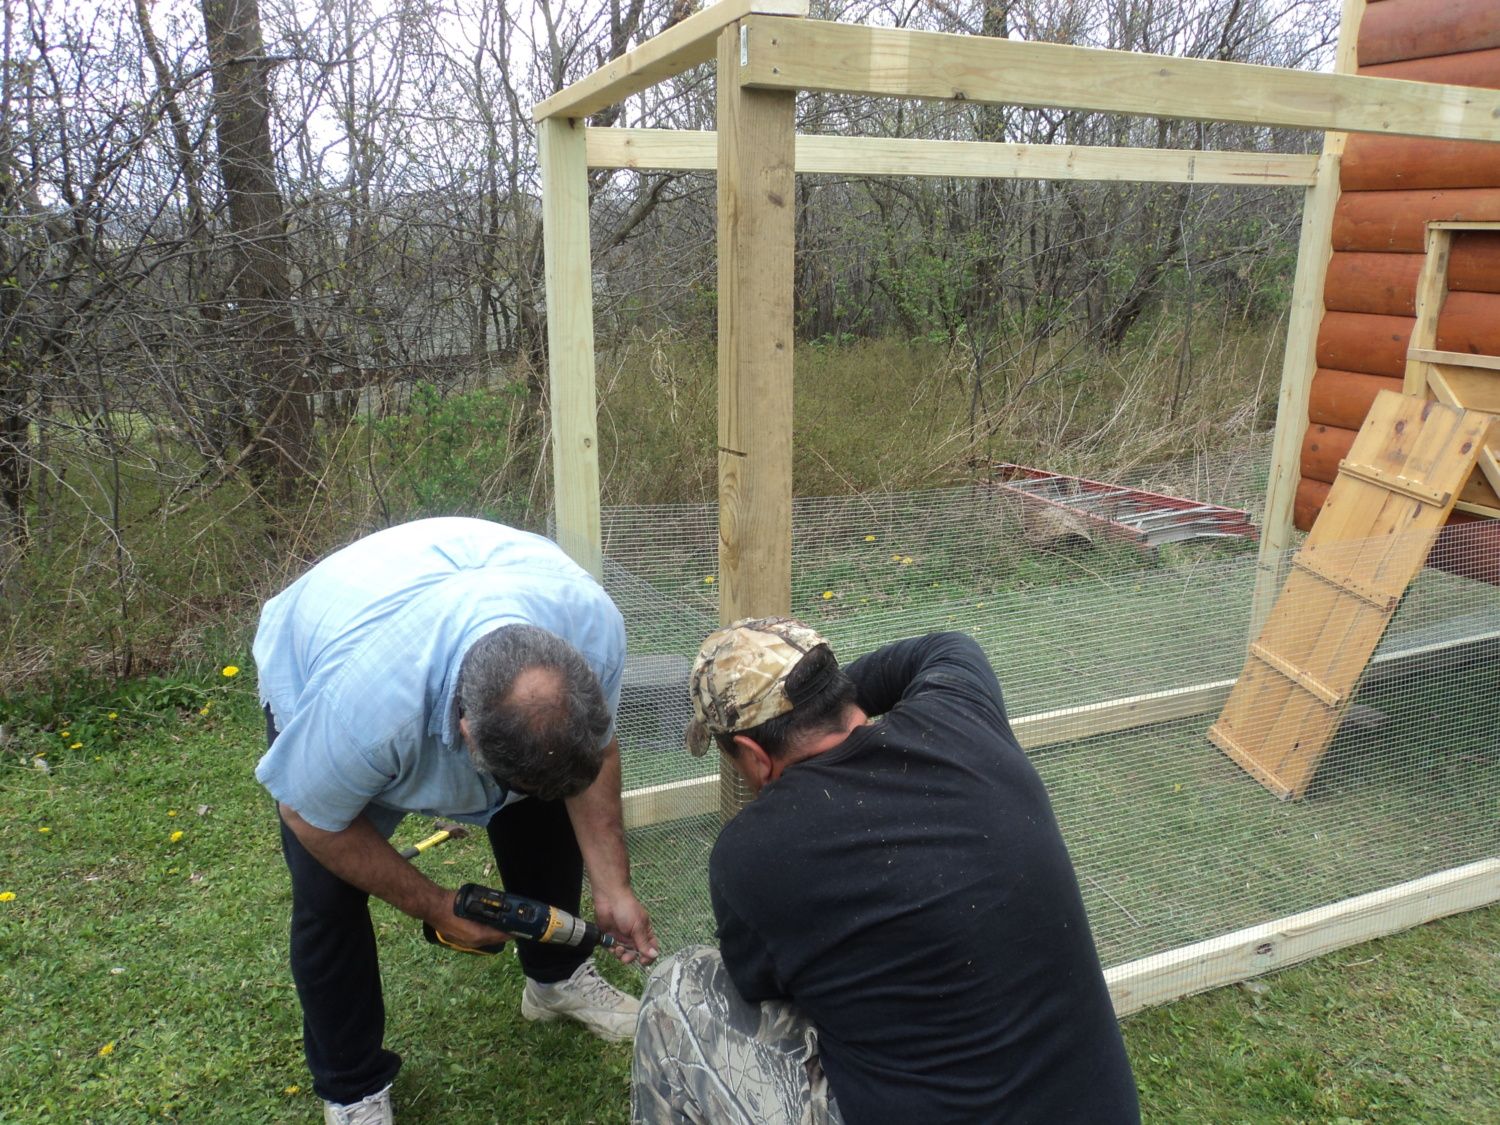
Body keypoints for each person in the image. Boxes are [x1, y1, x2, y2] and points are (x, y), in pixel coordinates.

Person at [632, 618, 1139, 1125]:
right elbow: (947, 645)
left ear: (753, 755)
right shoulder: (963, 713)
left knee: (678, 986)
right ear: (837, 690)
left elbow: (764, 990)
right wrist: (809, 696)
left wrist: (785, 706)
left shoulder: (750, 854)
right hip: (1102, 1112)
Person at [253, 517, 658, 1125]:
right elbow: (312, 818)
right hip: (335, 636)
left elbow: (594, 755)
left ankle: (556, 981)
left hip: (475, 585)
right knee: (327, 895)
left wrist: (613, 887)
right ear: (466, 734)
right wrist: (437, 907)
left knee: (544, 799)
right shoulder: (364, 710)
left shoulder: (593, 632)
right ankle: (352, 1089)